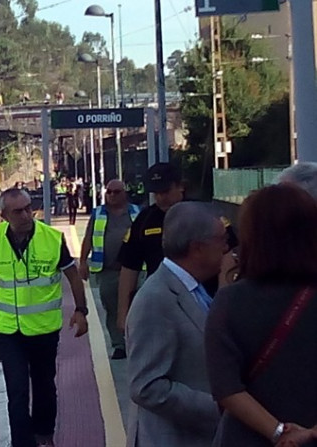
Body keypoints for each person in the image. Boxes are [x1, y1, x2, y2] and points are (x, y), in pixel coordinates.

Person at [0, 188, 88, 447]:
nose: (26, 214)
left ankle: (44, 434)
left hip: (43, 329)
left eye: (29, 208)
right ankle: (22, 443)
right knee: (16, 390)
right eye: (18, 211)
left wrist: (81, 310)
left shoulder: (51, 239)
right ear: (3, 215)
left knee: (44, 385)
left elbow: (72, 275)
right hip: (7, 330)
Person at [205, 184, 317, 447]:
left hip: (247, 439)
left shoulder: (230, 300)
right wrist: (310, 432)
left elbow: (226, 388)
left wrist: (279, 433)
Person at [125, 202, 226, 447]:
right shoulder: (156, 299)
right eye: (221, 240)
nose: (227, 248)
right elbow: (147, 387)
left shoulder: (194, 289)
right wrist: (224, 408)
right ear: (198, 248)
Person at [116, 162, 237, 331]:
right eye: (156, 193)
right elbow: (129, 266)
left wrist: (224, 300)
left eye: (165, 192)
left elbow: (227, 255)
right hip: (161, 302)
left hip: (206, 300)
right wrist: (123, 313)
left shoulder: (205, 215)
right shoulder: (144, 220)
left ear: (180, 186)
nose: (160, 198)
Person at [79, 179, 140, 359]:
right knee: (112, 307)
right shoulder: (98, 213)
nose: (111, 195)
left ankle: (136, 341)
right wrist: (83, 262)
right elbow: (88, 238)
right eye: (109, 192)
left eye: (116, 192)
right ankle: (119, 344)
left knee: (136, 305)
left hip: (135, 268)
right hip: (107, 270)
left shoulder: (137, 212)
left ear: (124, 194)